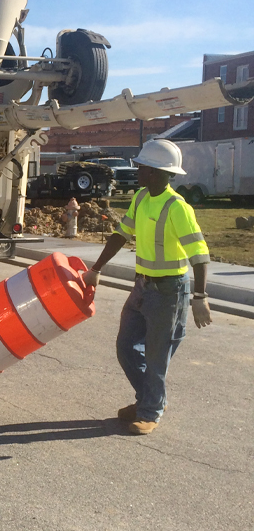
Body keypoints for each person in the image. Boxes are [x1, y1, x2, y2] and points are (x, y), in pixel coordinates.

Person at [83, 139, 211, 435]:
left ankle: (150, 411)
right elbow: (120, 234)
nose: (137, 170)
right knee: (126, 346)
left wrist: (200, 297)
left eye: (141, 166)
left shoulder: (178, 207)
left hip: (169, 292)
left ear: (155, 171)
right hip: (142, 286)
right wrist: (95, 269)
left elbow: (200, 255)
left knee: (156, 356)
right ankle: (150, 400)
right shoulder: (141, 197)